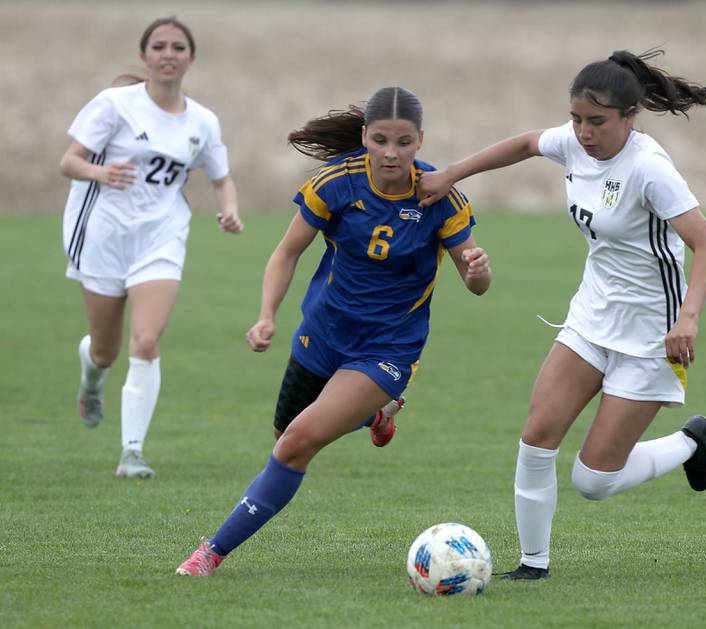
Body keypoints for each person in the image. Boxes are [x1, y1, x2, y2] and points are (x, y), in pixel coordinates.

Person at [417, 49, 706, 580]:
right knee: (537, 435)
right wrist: (452, 174)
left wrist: (689, 318)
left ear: (630, 117)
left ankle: (689, 442)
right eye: (577, 118)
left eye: (597, 122)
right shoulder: (573, 142)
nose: (582, 132)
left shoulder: (650, 170)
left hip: (651, 337)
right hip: (590, 318)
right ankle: (533, 564)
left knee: (593, 481)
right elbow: (521, 144)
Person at [176, 86, 492, 576]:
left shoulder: (439, 195)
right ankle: (372, 416)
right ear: (364, 136)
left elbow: (478, 285)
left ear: (420, 140)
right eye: (381, 139)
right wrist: (266, 316)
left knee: (296, 442)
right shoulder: (338, 182)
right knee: (285, 436)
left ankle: (209, 553)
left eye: (404, 142)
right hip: (322, 333)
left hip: (387, 348)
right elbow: (286, 252)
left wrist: (476, 272)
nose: (392, 153)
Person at [59, 16, 243, 479]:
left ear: (190, 58)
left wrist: (229, 209)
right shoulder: (114, 105)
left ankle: (132, 453)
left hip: (161, 235)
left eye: (177, 47)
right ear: (144, 57)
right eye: (158, 46)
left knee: (146, 340)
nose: (168, 54)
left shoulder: (202, 121)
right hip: (102, 232)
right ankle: (92, 377)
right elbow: (70, 161)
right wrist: (102, 173)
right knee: (106, 350)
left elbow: (222, 177)